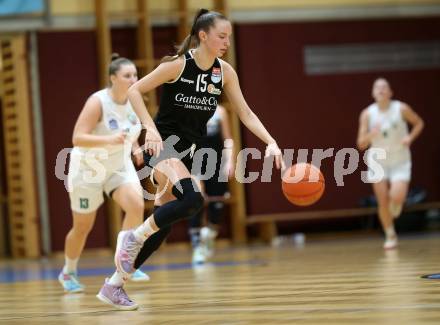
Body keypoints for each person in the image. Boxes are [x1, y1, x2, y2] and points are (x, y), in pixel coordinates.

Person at [96, 9, 283, 310]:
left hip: (186, 152)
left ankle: (114, 285)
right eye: (222, 36)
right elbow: (134, 91)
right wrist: (151, 131)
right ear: (203, 35)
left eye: (229, 37)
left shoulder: (224, 72)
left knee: (164, 225)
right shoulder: (177, 66)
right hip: (163, 147)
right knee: (193, 201)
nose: (226, 42)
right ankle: (134, 236)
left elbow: (246, 113)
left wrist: (271, 142)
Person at [59, 54, 150, 293]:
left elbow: (130, 130)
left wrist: (135, 146)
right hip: (88, 170)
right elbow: (77, 138)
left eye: (135, 75)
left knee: (136, 205)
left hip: (118, 166)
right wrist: (109, 139)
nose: (133, 79)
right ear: (113, 78)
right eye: (127, 76)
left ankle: (125, 262)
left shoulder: (135, 101)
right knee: (82, 227)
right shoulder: (98, 102)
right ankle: (68, 271)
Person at [357, 78, 424, 250]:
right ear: (372, 93)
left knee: (397, 196)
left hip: (399, 158)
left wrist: (410, 137)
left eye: (384, 87)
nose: (380, 90)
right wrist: (372, 134)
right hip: (377, 159)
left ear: (390, 92)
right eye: (377, 87)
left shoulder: (401, 108)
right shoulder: (367, 114)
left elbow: (419, 123)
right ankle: (390, 234)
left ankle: (397, 203)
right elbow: (361, 143)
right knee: (382, 201)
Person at [189, 104, 234, 264]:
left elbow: (228, 138)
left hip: (217, 163)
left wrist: (230, 160)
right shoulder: (189, 107)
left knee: (217, 202)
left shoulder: (220, 111)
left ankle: (209, 236)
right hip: (196, 161)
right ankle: (197, 248)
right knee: (196, 200)